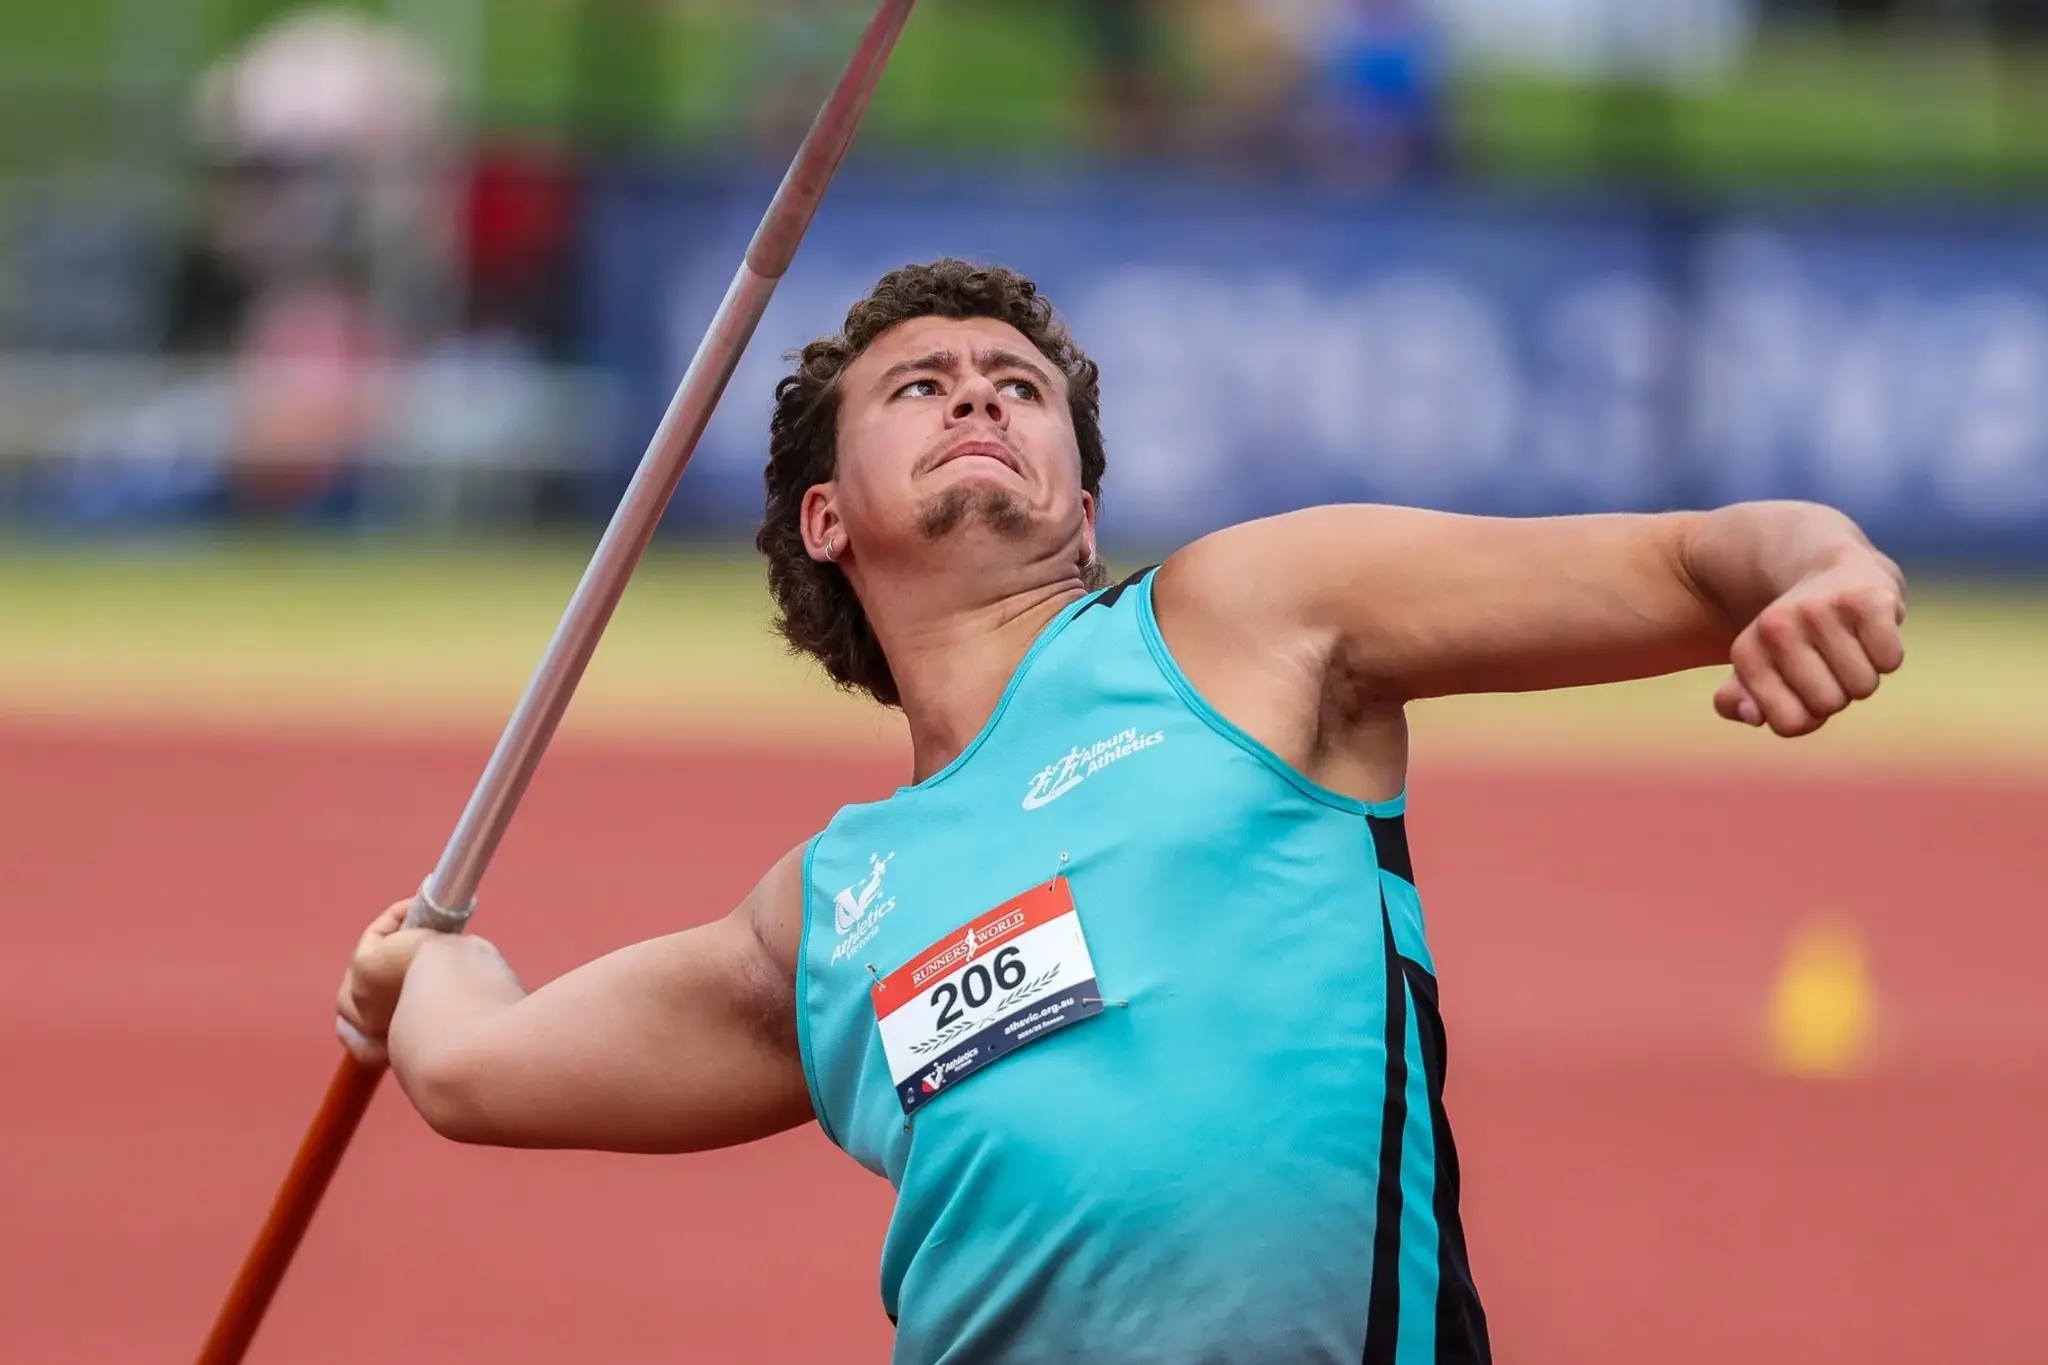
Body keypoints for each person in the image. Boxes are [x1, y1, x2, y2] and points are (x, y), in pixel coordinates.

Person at [337, 260, 1907, 1364]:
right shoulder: (826, 914)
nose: (978, 394)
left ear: (1080, 502)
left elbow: (1696, 560)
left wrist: (1819, 564)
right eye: (921, 386)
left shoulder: (1236, 624)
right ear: (827, 519)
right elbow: (476, 1067)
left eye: (1019, 388)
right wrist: (415, 970)